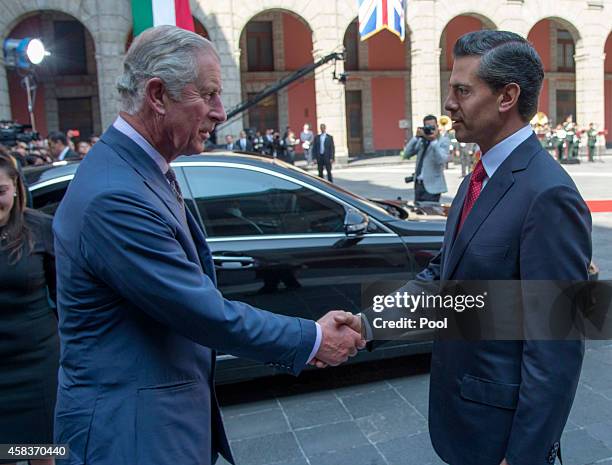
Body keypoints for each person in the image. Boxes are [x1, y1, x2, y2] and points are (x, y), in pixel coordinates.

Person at [52, 25, 364, 465]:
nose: (221, 112)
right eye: (209, 94)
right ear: (157, 95)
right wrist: (311, 337)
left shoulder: (137, 168)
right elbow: (198, 311)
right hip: (131, 435)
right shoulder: (114, 195)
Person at [360, 30, 591, 465]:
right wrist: (366, 324)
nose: (449, 104)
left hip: (502, 441)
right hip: (465, 422)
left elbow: (555, 347)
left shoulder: (548, 194)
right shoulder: (476, 178)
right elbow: (442, 279)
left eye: (462, 90)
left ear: (507, 97)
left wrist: (523, 456)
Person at [0, 151, 59, 465]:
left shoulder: (40, 229)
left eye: (0, 191)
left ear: (16, 188)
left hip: (37, 365)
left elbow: (66, 299)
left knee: (42, 451)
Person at [403, 115, 450, 202]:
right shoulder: (421, 140)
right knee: (419, 213)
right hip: (419, 185)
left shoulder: (443, 141)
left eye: (432, 127)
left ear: (437, 126)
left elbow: (442, 160)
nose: (430, 129)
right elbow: (406, 154)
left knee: (430, 212)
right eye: (427, 127)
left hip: (433, 187)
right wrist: (416, 137)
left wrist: (433, 141)